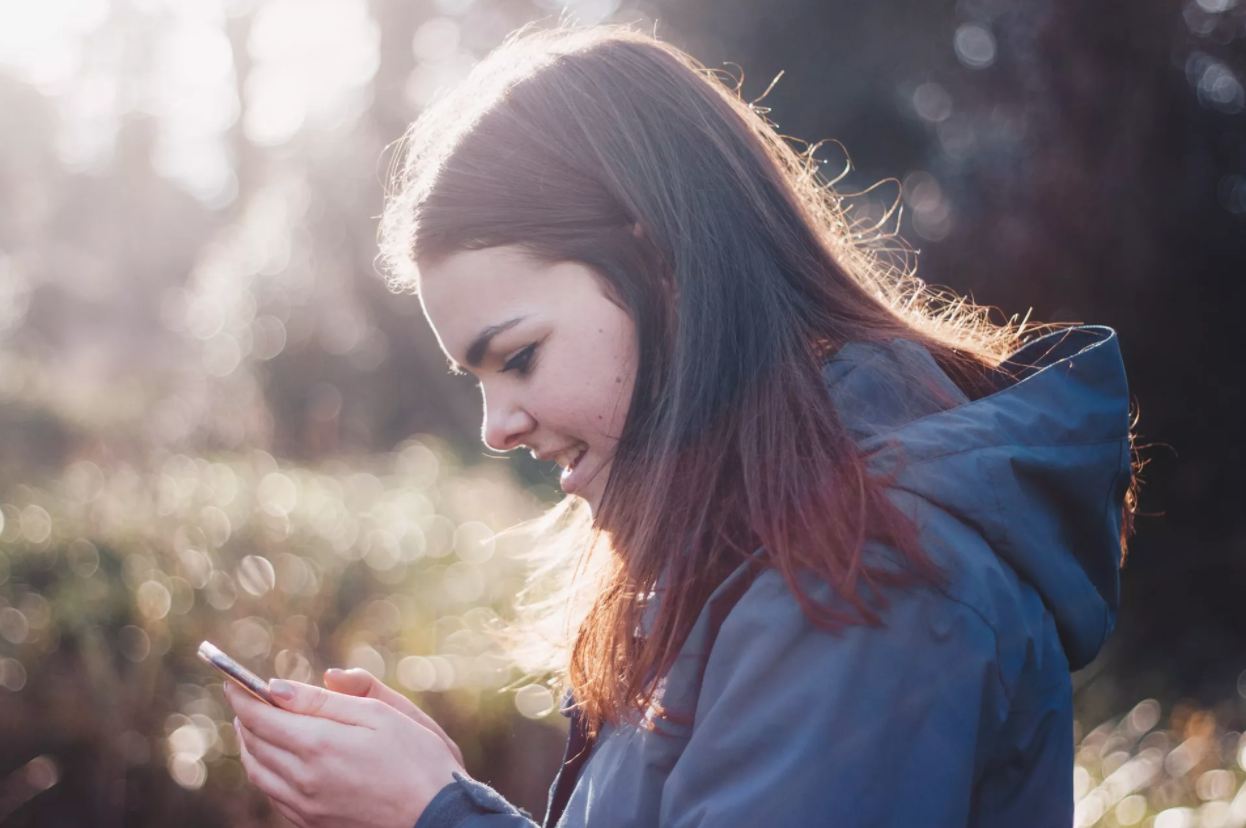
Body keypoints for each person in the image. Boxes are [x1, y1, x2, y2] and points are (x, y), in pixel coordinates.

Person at [226, 22, 1139, 828]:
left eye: (519, 356)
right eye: (476, 377)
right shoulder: (759, 551)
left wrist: (434, 814)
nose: (497, 427)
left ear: (660, 264)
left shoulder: (868, 579)